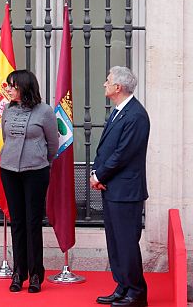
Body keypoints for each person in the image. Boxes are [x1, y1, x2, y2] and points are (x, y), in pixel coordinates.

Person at [91, 66, 150, 307]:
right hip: (112, 187)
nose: (104, 84)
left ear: (118, 87)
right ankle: (122, 285)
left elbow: (123, 154)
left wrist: (100, 175)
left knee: (126, 242)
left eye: (107, 81)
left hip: (126, 191)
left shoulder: (136, 115)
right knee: (115, 242)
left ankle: (136, 292)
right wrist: (97, 172)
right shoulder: (118, 112)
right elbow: (106, 149)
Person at [0, 69, 58, 294]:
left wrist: (42, 160)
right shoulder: (8, 110)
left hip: (36, 171)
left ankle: (35, 274)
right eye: (9, 86)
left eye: (13, 86)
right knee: (17, 223)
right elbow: (6, 139)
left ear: (25, 87)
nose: (10, 89)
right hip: (9, 171)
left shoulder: (45, 112)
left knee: (33, 223)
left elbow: (53, 144)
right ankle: (18, 272)